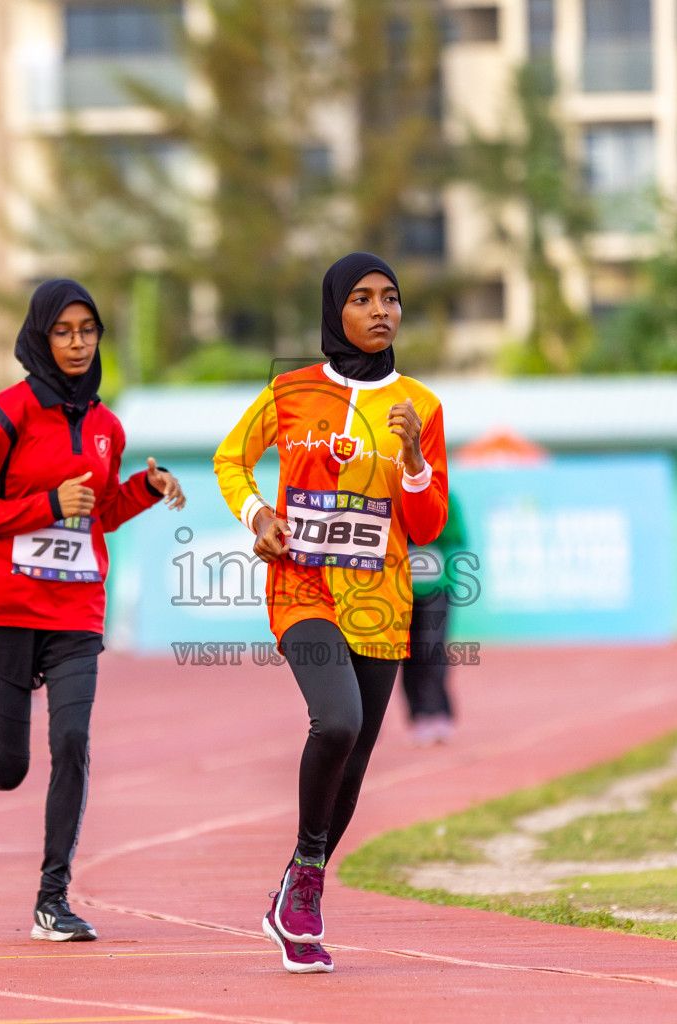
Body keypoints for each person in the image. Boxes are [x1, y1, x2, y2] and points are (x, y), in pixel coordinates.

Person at [0, 279, 185, 942]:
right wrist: (45, 505)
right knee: (12, 767)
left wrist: (145, 490)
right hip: (6, 609)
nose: (77, 343)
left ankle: (53, 898)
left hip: (75, 610)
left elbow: (98, 517)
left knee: (71, 742)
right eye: (64, 331)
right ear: (41, 337)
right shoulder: (0, 418)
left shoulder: (107, 426)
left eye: (88, 330)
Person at [214, 253, 448, 974]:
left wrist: (412, 457)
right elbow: (231, 459)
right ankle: (307, 876)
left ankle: (300, 883)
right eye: (363, 298)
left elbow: (429, 521)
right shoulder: (290, 392)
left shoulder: (422, 407)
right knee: (337, 720)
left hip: (381, 601)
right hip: (302, 592)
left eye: (391, 298)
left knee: (356, 756)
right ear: (334, 312)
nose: (381, 310)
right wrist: (257, 515)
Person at [402, 491, 466, 745]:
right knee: (407, 652)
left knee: (433, 647)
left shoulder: (447, 497)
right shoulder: (395, 494)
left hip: (438, 587)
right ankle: (418, 715)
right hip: (402, 587)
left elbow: (457, 536)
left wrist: (425, 522)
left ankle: (440, 712)